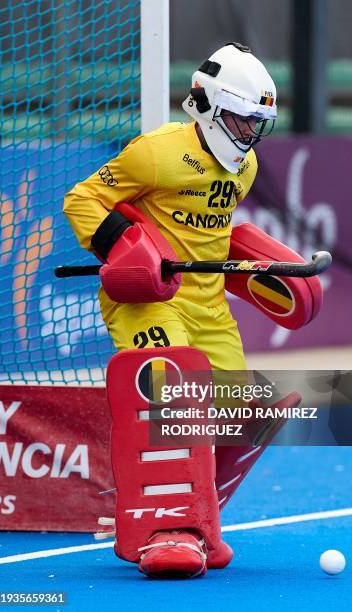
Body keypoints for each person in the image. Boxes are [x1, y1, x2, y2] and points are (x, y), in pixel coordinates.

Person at [64, 42, 279, 579]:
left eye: (258, 125)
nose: (249, 136)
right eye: (241, 120)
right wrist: (126, 247)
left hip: (207, 303)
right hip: (145, 299)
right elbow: (82, 200)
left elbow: (212, 235)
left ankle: (196, 522)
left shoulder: (244, 166)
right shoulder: (156, 153)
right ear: (207, 105)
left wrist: (254, 263)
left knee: (238, 413)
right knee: (175, 395)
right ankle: (166, 530)